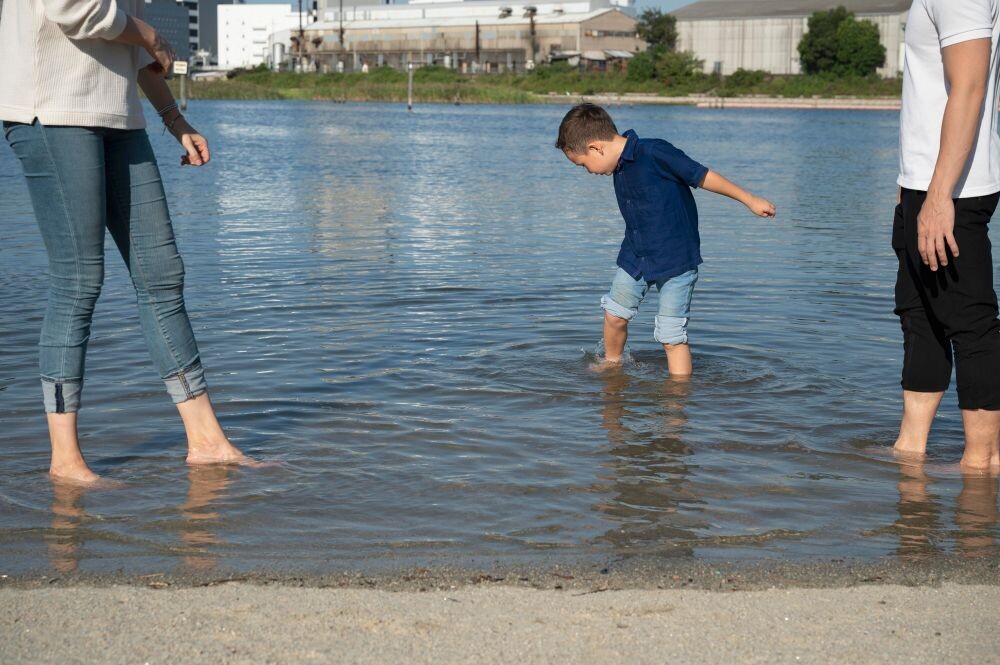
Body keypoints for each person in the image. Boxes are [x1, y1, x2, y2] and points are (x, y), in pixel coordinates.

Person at [1, 0, 252, 484]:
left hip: (117, 115)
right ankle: (66, 463)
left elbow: (128, 46)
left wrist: (174, 119)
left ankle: (208, 443)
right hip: (51, 111)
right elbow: (73, 9)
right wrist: (151, 35)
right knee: (78, 280)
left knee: (162, 275)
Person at [555, 103, 776, 376]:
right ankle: (612, 366)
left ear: (596, 148)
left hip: (676, 258)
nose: (589, 172)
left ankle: (678, 398)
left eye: (584, 165)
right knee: (614, 316)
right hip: (636, 255)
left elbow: (703, 175)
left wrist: (749, 199)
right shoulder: (619, 165)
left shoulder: (654, 152)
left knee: (671, 336)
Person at [891, 0, 1000, 474]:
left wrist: (939, 198)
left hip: (952, 191)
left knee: (970, 325)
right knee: (921, 319)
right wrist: (909, 189)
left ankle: (982, 465)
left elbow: (970, 87)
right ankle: (910, 451)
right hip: (922, 185)